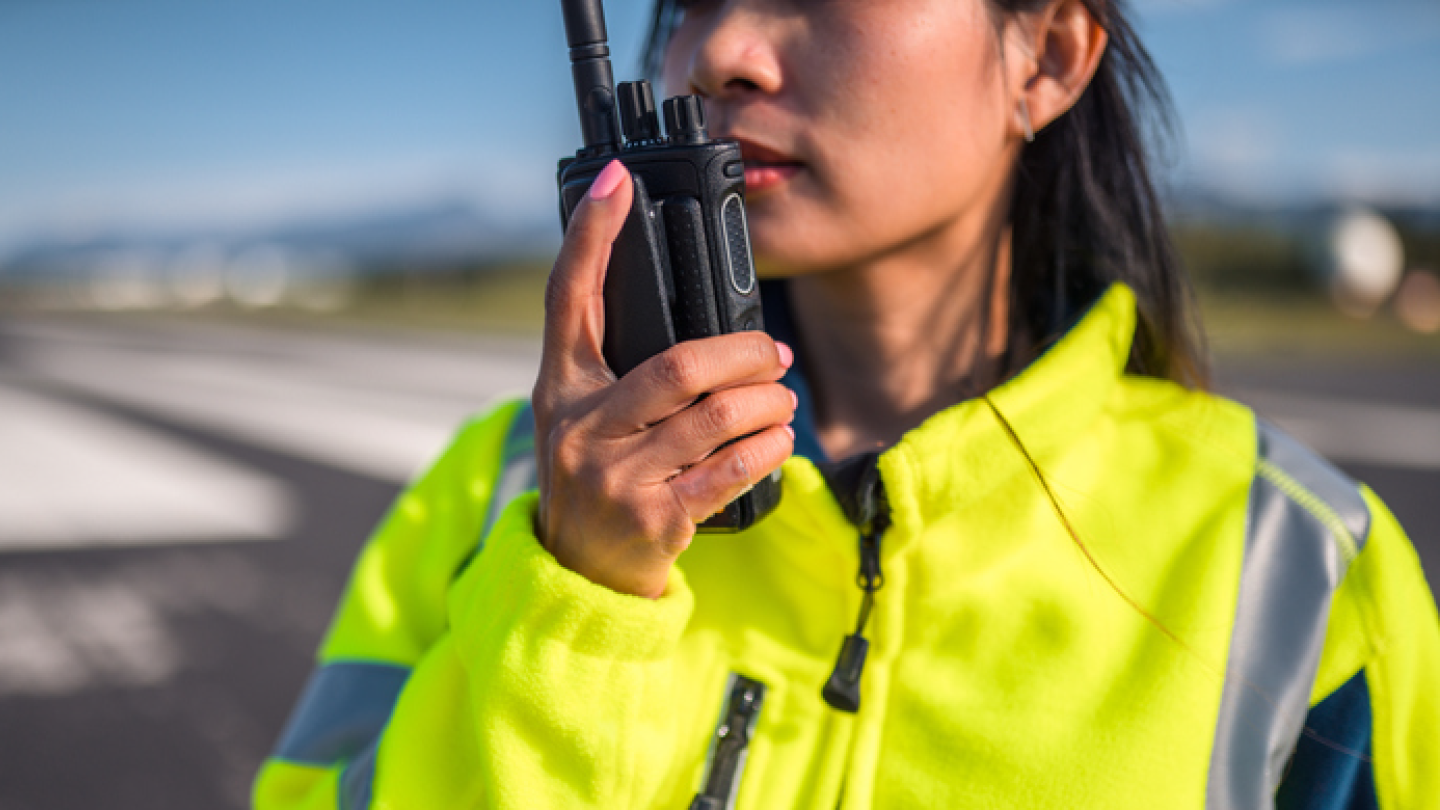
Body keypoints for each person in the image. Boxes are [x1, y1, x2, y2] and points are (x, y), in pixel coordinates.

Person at [254, 0, 1440, 807]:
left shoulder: (1302, 563)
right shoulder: (504, 489)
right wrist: (568, 609)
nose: (720, 50)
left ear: (1048, 58)